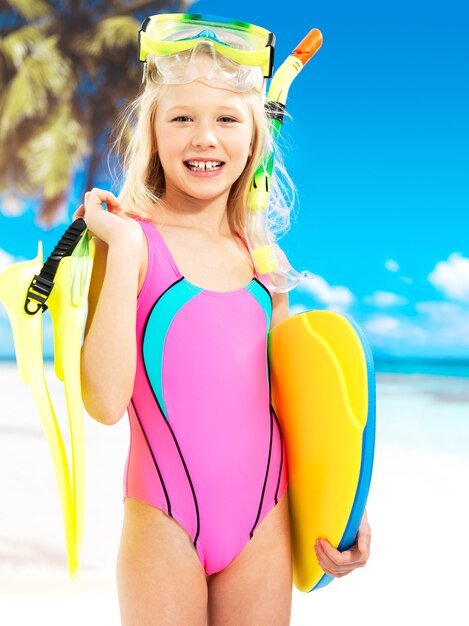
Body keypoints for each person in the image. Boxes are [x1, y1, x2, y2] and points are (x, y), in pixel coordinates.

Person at [75, 14, 371, 626]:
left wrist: (344, 498)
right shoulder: (131, 245)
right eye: (181, 118)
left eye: (226, 119)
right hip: (164, 521)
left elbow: (296, 403)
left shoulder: (266, 264)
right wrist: (124, 249)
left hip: (265, 518)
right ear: (152, 133)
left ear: (255, 140)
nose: (203, 138)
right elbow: (104, 401)